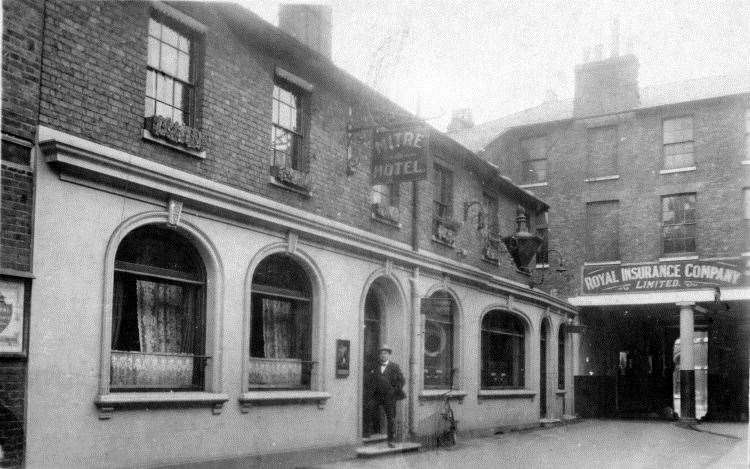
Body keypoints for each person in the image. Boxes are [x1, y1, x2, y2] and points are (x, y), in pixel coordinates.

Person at [366, 344, 405, 448]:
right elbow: (369, 380)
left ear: (389, 355)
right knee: (369, 407)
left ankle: (391, 440)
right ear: (379, 355)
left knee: (391, 418)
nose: (383, 355)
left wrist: (394, 390)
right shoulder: (374, 366)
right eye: (381, 353)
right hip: (377, 396)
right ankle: (368, 432)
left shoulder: (394, 367)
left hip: (389, 396)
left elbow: (401, 380)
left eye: (385, 353)